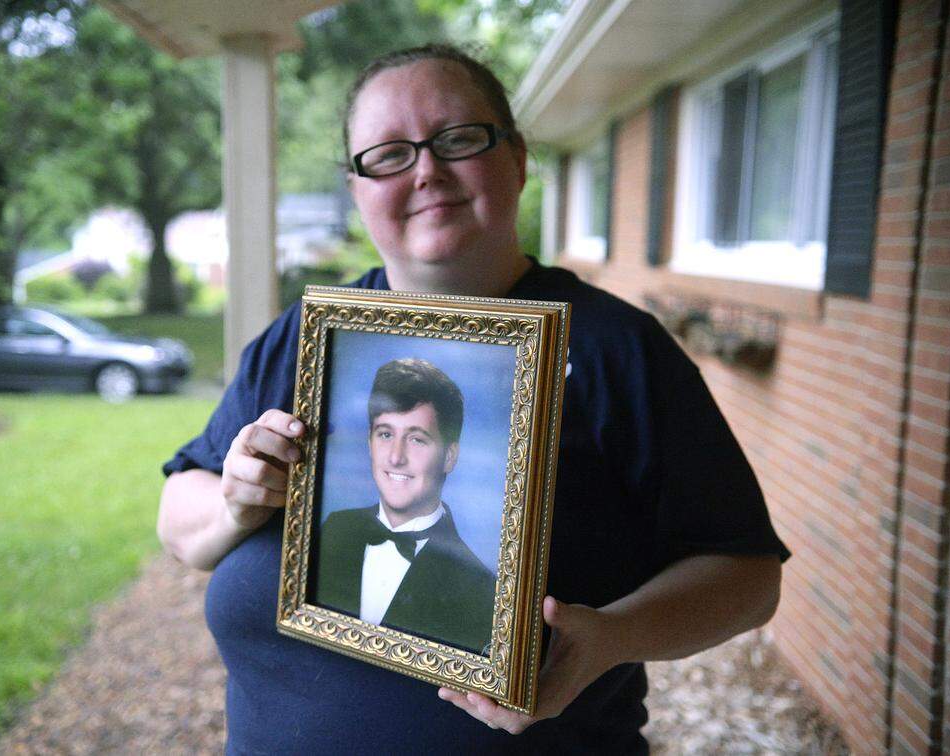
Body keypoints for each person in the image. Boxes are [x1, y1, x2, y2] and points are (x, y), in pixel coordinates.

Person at [158, 44, 789, 753]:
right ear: (357, 186)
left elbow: (748, 577)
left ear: (516, 159)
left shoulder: (620, 349)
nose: (426, 171)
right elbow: (181, 508)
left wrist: (612, 638)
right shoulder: (308, 337)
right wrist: (233, 507)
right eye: (389, 154)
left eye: (458, 139)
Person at [314, 358, 495, 654]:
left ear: (450, 457)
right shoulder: (335, 528)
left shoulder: (480, 589)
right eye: (385, 434)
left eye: (416, 439)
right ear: (370, 441)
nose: (396, 457)